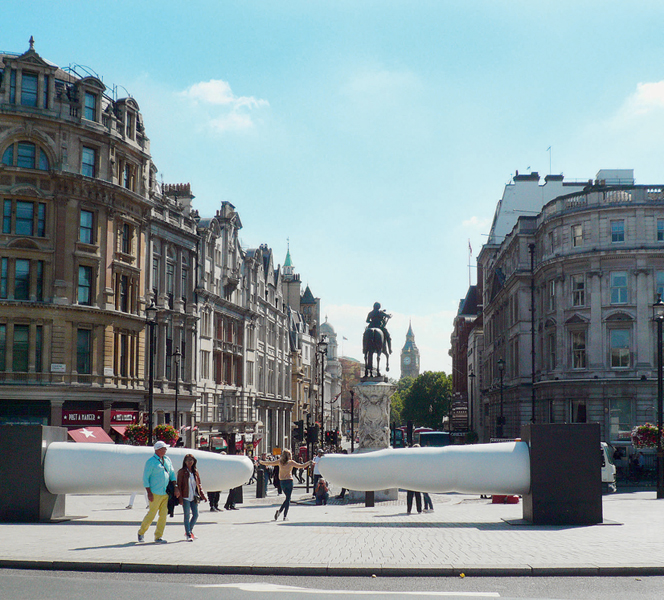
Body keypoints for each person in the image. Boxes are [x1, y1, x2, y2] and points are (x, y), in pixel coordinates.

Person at [137, 441, 179, 543]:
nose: (166, 450)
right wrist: (149, 493)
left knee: (163, 515)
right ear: (158, 450)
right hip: (155, 492)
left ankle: (158, 536)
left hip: (166, 492)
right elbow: (146, 478)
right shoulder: (151, 462)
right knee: (151, 514)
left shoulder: (167, 459)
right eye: (164, 448)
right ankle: (141, 532)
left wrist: (175, 486)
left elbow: (172, 473)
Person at [259, 449, 311, 521]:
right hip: (289, 481)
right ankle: (284, 515)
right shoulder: (291, 462)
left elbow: (270, 463)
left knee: (287, 498)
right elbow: (301, 466)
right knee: (288, 499)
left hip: (282, 482)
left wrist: (262, 462)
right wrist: (309, 462)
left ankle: (280, 512)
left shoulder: (280, 462)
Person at [177, 454, 207, 541]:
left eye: (191, 460)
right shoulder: (182, 472)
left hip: (194, 496)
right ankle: (188, 534)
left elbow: (199, 484)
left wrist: (203, 495)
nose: (189, 462)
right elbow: (179, 485)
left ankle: (189, 530)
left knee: (196, 514)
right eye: (187, 460)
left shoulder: (195, 471)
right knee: (187, 515)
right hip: (185, 496)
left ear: (194, 461)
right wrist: (180, 498)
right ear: (185, 462)